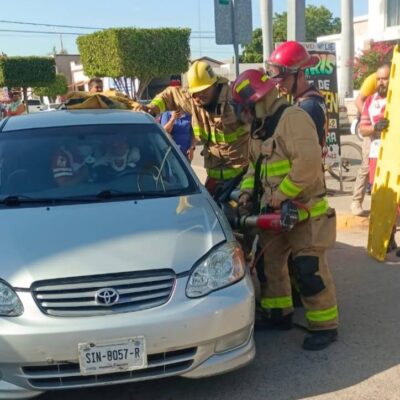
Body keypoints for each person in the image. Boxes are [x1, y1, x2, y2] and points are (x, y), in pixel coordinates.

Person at [233, 69, 339, 351]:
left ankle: (325, 326)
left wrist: (281, 195)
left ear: (259, 100)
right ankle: (278, 314)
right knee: (270, 266)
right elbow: (253, 168)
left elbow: (308, 164)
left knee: (309, 269)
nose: (245, 115)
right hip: (275, 214)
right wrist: (246, 193)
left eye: (246, 108)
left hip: (305, 211)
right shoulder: (260, 127)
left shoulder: (294, 118)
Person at [143, 60, 249, 197]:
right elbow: (170, 95)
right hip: (214, 180)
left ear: (215, 85)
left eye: (204, 90)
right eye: (196, 92)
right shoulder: (194, 101)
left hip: (241, 179)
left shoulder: (235, 101)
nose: (200, 96)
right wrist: (151, 108)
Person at [266, 41, 327, 149]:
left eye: (283, 79)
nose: (278, 84)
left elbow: (295, 150)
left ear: (300, 75)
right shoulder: (312, 96)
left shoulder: (307, 107)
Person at [351, 64, 391, 216]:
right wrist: (373, 125)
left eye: (384, 79)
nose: (381, 82)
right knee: (366, 167)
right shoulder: (370, 90)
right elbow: (358, 101)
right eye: (379, 79)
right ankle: (356, 201)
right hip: (375, 141)